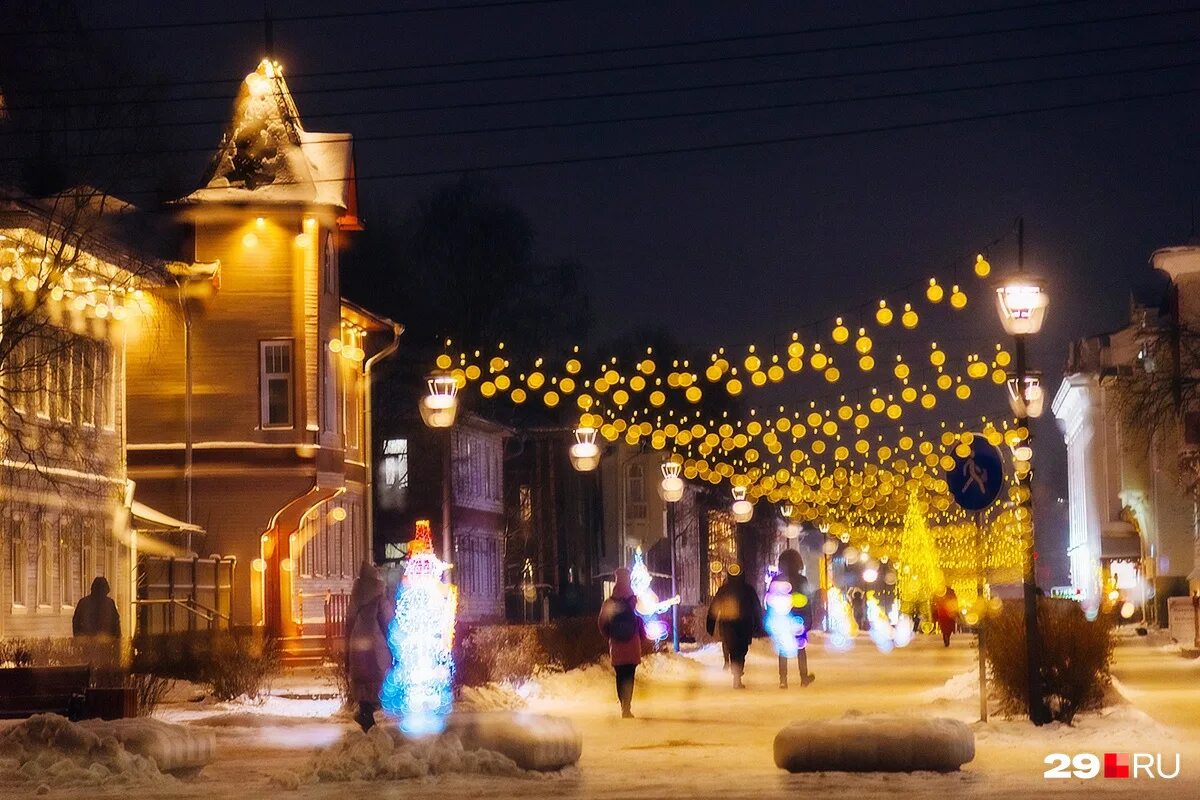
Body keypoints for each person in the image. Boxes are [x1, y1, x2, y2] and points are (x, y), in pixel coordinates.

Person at [346, 562, 393, 732]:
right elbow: (387, 620)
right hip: (376, 642)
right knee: (376, 677)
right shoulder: (379, 596)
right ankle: (368, 717)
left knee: (362, 679)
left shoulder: (356, 596)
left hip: (357, 641)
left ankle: (365, 713)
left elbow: (349, 620)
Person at [598, 567, 646, 718]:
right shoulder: (634, 601)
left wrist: (610, 635)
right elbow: (642, 618)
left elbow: (602, 623)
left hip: (617, 644)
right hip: (632, 644)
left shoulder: (609, 603)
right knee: (629, 676)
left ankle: (622, 704)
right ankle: (627, 706)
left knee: (620, 675)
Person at [765, 550, 816, 689]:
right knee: (800, 648)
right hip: (798, 618)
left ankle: (783, 679)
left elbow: (770, 599)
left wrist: (770, 616)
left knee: (782, 648)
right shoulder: (802, 580)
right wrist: (809, 619)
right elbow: (807, 601)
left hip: (781, 618)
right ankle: (803, 677)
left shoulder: (776, 580)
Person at [706, 567, 762, 689]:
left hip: (728, 625)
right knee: (741, 651)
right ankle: (737, 675)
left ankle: (736, 674)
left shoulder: (724, 590)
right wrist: (759, 626)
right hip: (744, 625)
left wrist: (710, 625)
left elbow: (714, 608)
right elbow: (756, 608)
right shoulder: (748, 590)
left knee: (733, 650)